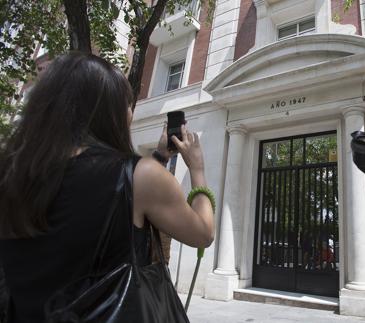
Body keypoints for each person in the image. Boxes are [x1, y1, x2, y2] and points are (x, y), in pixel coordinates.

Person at [0, 52, 214, 322]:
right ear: (106, 110)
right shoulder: (142, 176)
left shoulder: (12, 174)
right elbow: (203, 233)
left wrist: (159, 158)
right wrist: (197, 169)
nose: (131, 112)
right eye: (126, 103)